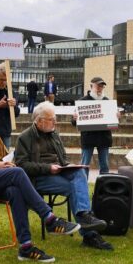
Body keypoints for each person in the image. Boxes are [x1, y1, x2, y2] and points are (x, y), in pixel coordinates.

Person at [0, 94, 83, 263]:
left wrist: (6, 164)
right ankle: (50, 219)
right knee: (18, 172)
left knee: (15, 190)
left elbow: (6, 159)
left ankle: (26, 247)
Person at [14, 102, 112, 251]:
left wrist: (67, 166)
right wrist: (48, 168)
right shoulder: (25, 137)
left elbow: (62, 157)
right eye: (51, 119)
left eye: (55, 118)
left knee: (79, 173)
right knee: (75, 188)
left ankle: (85, 216)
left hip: (57, 173)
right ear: (39, 120)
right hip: (38, 179)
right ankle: (89, 234)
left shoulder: (54, 134)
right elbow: (21, 165)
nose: (55, 121)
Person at [76, 77, 113, 174]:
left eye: (102, 86)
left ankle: (104, 187)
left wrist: (116, 116)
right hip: (88, 137)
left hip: (104, 137)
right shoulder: (82, 102)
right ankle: (83, 187)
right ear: (91, 86)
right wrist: (75, 118)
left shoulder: (107, 101)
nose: (100, 88)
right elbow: (74, 122)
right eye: (98, 85)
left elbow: (112, 122)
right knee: (84, 165)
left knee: (104, 165)